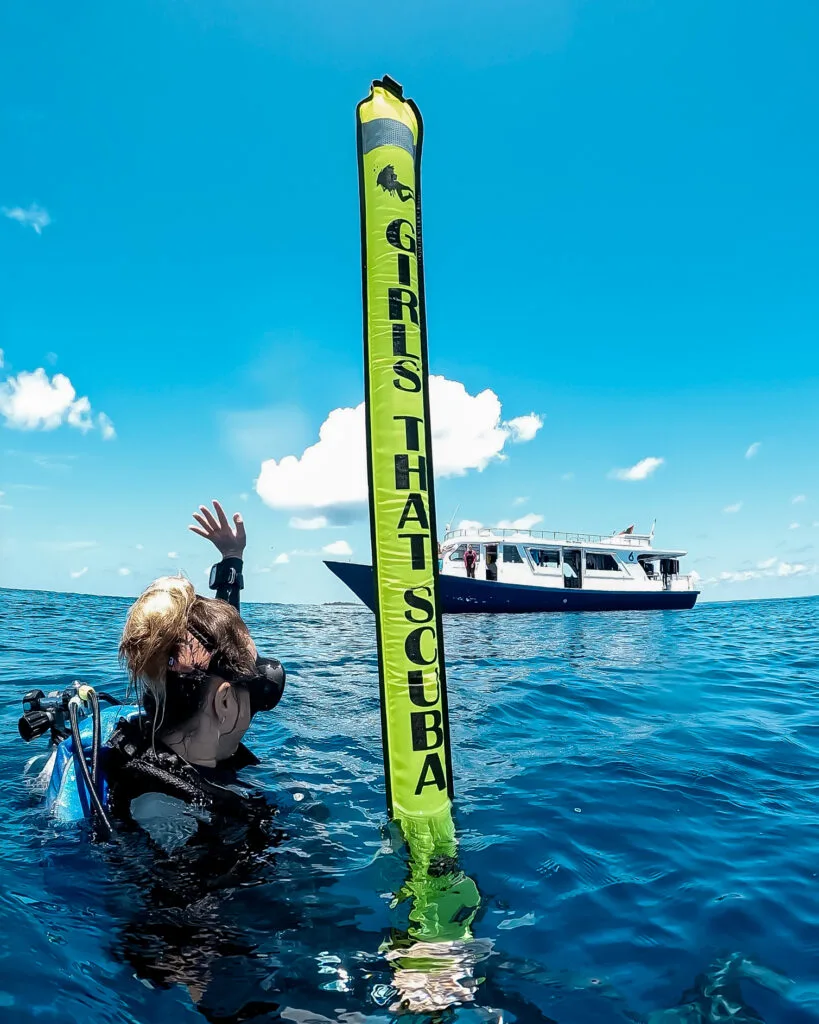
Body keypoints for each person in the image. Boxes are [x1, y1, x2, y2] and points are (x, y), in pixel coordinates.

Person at [103, 499, 286, 848]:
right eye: (253, 687)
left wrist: (233, 560)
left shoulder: (156, 741)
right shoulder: (172, 815)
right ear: (225, 702)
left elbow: (212, 656)